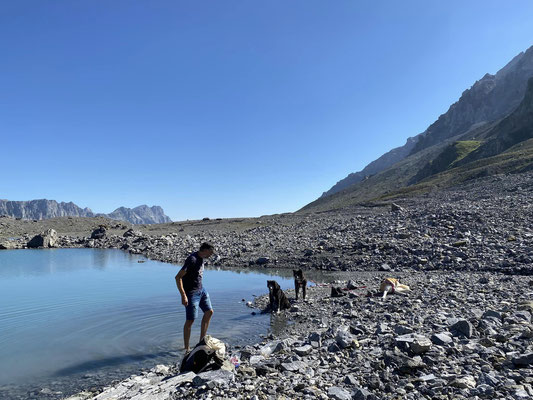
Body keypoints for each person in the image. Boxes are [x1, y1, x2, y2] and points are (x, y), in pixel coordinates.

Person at [175, 242, 215, 352]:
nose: (211, 255)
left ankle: (201, 341)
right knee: (190, 320)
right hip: (191, 293)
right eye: (210, 252)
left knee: (209, 312)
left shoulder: (201, 258)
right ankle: (187, 349)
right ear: (205, 250)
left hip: (201, 290)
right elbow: (178, 277)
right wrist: (183, 296)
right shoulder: (192, 259)